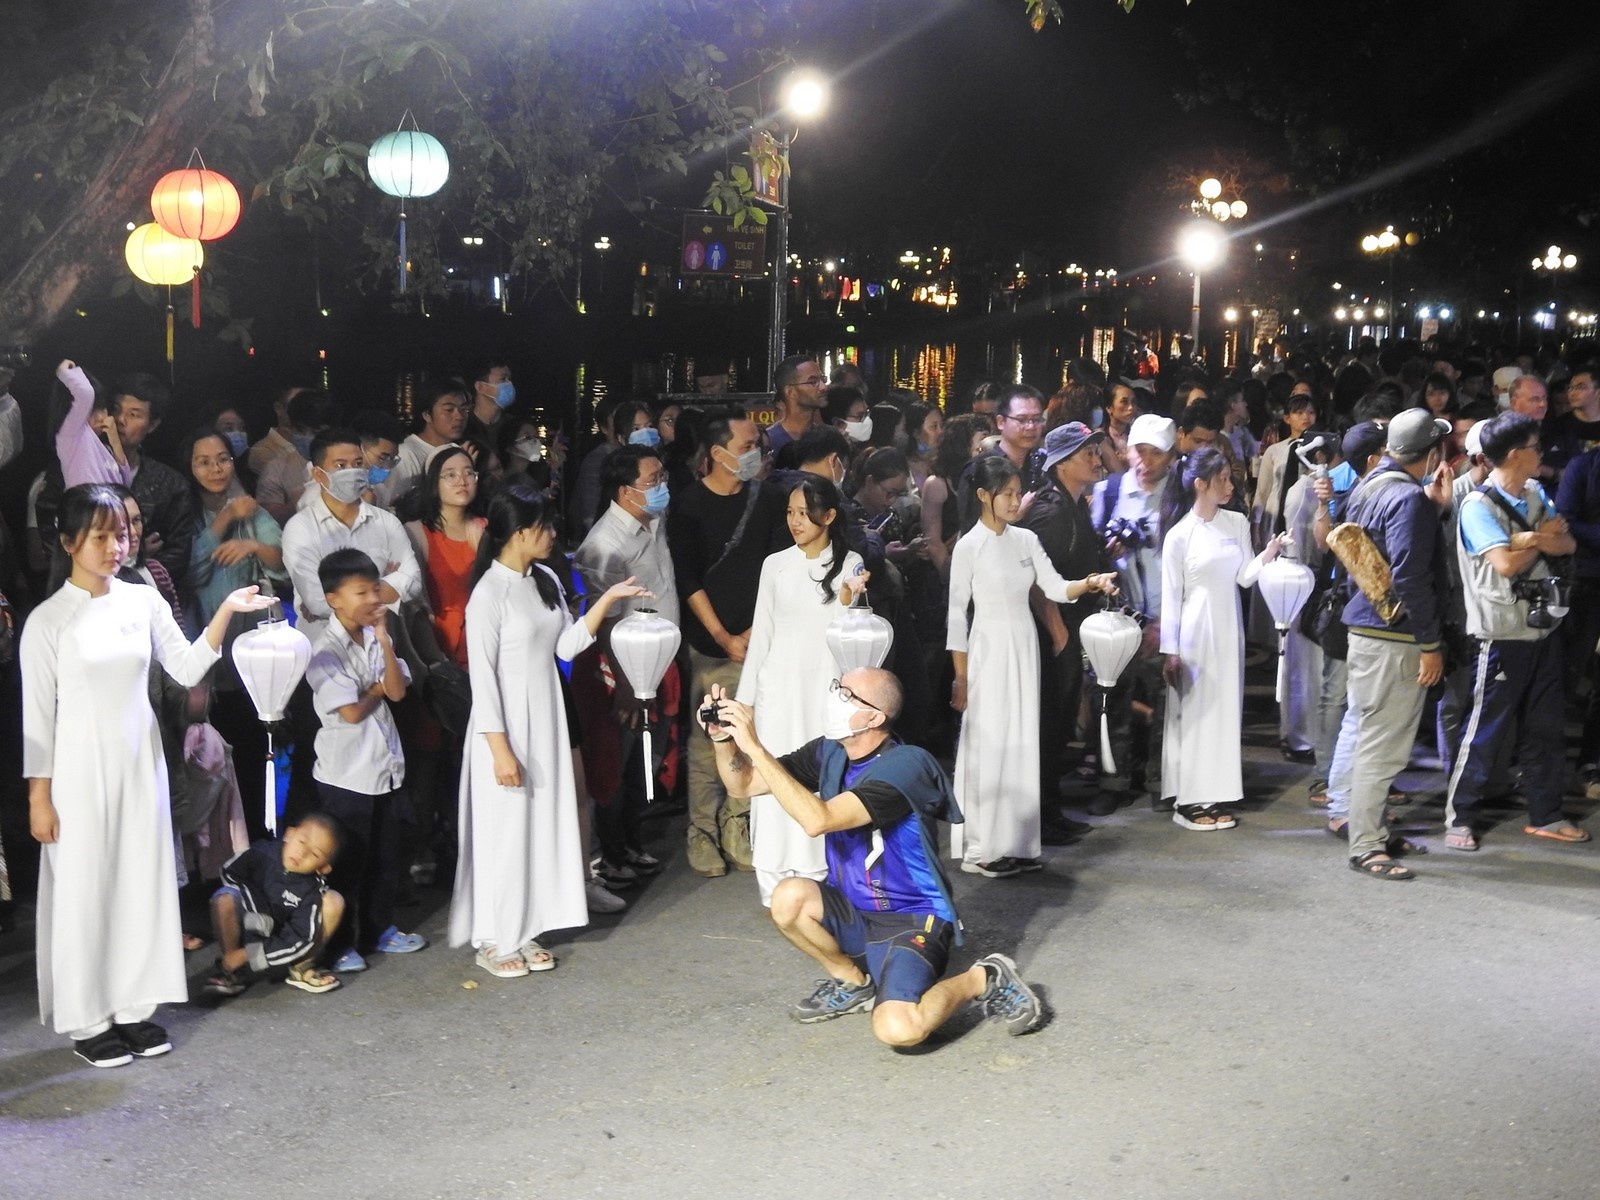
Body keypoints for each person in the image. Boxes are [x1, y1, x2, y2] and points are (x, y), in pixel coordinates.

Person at [21, 483, 274, 1067]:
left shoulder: (142, 601)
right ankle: (89, 1019)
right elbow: (37, 718)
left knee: (141, 885)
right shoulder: (48, 621)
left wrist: (227, 613)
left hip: (142, 767)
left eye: (121, 534)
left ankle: (134, 1010)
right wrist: (40, 797)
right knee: (86, 893)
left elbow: (185, 666)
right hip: (78, 776)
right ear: (68, 541)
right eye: (101, 536)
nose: (116, 546)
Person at [699, 667, 1047, 1044]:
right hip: (854, 910)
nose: (833, 697)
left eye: (847, 694)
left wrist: (755, 747)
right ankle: (853, 982)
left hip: (910, 918)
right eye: (837, 686)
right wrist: (724, 738)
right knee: (786, 898)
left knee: (900, 1029)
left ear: (874, 718)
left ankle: (984, 977)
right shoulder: (831, 751)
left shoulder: (907, 765)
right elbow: (744, 784)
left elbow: (819, 820)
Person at [451, 486, 649, 977]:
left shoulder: (544, 579)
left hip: (546, 720)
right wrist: (500, 750)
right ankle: (495, 938)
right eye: (544, 527)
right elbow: (483, 679)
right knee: (505, 832)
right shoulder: (488, 594)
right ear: (519, 533)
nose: (553, 535)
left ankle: (526, 928)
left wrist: (607, 601)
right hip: (505, 728)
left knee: (537, 826)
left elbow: (565, 646)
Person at [948, 457, 1117, 876]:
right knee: (992, 744)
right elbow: (956, 615)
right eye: (1006, 493)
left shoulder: (1024, 539)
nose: (1014, 500)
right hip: (988, 651)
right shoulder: (969, 546)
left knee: (1022, 740)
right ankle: (983, 847)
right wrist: (961, 676)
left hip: (1024, 649)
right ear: (983, 495)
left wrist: (1090, 582)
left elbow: (1055, 587)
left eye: (1017, 491)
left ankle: (1017, 844)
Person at [1445, 412, 1586, 849]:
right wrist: (1539, 537)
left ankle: (1547, 814)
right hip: (1500, 634)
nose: (1541, 453)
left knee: (1546, 729)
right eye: (1534, 446)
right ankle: (1460, 818)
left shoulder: (1535, 492)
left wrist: (1529, 539)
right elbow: (1504, 564)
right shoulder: (1477, 506)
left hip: (1544, 629)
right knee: (1484, 730)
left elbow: (1568, 543)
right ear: (1514, 454)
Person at [666, 408, 787, 877]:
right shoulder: (689, 505)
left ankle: (738, 824)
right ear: (717, 453)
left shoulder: (769, 499)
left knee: (750, 738)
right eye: (746, 446)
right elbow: (687, 577)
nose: (756, 453)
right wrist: (721, 635)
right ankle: (701, 831)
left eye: (758, 445)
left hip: (760, 641)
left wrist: (753, 634)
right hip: (710, 645)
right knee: (707, 740)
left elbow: (777, 570)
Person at [737, 477, 866, 905]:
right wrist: (746, 700)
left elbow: (852, 629)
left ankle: (819, 873)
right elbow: (762, 634)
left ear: (828, 516)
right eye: (791, 513)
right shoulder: (775, 564)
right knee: (775, 770)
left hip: (824, 686)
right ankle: (773, 877)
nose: (796, 521)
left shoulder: (850, 563)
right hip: (778, 687)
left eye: (805, 513)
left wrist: (848, 597)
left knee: (820, 773)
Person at [1341, 408, 1452, 881]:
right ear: (1431, 454)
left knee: (1372, 738)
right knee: (1382, 747)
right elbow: (1409, 576)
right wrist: (1430, 643)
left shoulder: (1369, 485)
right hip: (1393, 638)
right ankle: (1366, 845)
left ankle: (1373, 832)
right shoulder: (1408, 497)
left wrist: (1433, 508)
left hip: (1366, 630)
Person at [306, 548, 427, 971]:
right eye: (361, 592)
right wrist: (375, 689)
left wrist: (384, 642)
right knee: (346, 865)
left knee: (385, 858)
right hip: (346, 775)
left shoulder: (377, 635)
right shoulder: (323, 652)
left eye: (375, 589)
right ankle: (340, 945)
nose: (374, 599)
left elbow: (397, 691)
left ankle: (380, 930)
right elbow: (353, 712)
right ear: (333, 599)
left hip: (384, 766)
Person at [573, 445, 678, 902]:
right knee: (614, 762)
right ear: (624, 491)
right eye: (652, 481)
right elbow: (605, 624)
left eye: (661, 477)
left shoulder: (654, 519)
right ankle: (608, 855)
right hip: (624, 669)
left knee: (644, 760)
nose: (661, 487)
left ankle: (631, 842)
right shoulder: (603, 545)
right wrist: (626, 687)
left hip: (661, 657)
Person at [1159, 448, 1283, 830]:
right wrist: (1170, 651)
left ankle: (1214, 793)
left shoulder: (1236, 522)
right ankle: (1189, 800)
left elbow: (1244, 577)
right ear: (1200, 484)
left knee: (1225, 710)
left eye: (1230, 478)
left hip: (1229, 628)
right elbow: (1171, 595)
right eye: (1223, 479)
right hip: (1194, 633)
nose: (1230, 486)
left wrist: (1269, 554)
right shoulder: (1179, 535)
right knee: (1196, 713)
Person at [1022, 422, 1114, 824]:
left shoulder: (1074, 504)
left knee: (1059, 722)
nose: (1097, 460)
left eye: (1096, 451)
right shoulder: (1052, 510)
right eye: (1087, 454)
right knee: (1050, 721)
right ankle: (1043, 815)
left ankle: (1049, 809)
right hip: (1050, 633)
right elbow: (1032, 574)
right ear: (1061, 463)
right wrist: (1057, 629)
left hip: (1068, 626)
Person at [1091, 413, 1176, 810]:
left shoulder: (1179, 496)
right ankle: (1113, 782)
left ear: (1170, 456)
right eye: (1139, 451)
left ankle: (1162, 781)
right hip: (1118, 614)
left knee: (1167, 703)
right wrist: (1108, 551)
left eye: (1156, 453)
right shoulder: (1109, 491)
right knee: (1113, 700)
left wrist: (1168, 623)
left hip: (1163, 616)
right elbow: (1092, 554)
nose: (1146, 461)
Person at [202, 815, 345, 998]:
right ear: (289, 833)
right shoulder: (261, 853)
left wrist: (249, 954)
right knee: (224, 898)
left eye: (315, 854)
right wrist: (257, 910)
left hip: (280, 950)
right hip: (246, 932)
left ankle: (301, 968)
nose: (302, 853)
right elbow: (230, 872)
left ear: (323, 868)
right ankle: (231, 969)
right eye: (301, 842)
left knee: (334, 900)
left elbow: (299, 937)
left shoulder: (311, 890)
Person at [112, 373, 195, 594]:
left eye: (134, 414)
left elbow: (178, 555)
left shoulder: (171, 484)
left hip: (148, 595)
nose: (120, 420)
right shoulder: (85, 471)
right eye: (116, 409)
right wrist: (132, 554)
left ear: (153, 425)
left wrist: (137, 568)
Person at [921, 413, 990, 577]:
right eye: (983, 439)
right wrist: (952, 578)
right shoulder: (937, 484)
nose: (989, 445)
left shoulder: (989, 478)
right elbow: (933, 542)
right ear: (961, 443)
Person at [256, 389, 338, 524]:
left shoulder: (349, 463)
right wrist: (299, 501)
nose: (307, 437)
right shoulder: (276, 469)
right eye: (300, 430)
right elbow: (267, 520)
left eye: (316, 431)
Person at [388, 380, 470, 507]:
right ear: (427, 415)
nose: (459, 416)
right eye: (449, 410)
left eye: (464, 409)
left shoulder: (457, 452)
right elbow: (390, 503)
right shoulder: (405, 454)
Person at [767, 355, 827, 455]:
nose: (823, 387)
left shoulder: (826, 439)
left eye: (823, 379)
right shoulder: (769, 442)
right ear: (790, 391)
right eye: (813, 382)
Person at [464, 358, 516, 445]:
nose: (509, 384)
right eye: (503, 379)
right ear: (480, 387)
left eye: (509, 379)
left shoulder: (515, 426)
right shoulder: (463, 426)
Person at [900, 402, 944, 491]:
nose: (941, 432)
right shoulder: (902, 470)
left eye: (942, 426)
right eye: (934, 426)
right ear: (915, 432)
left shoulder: (946, 465)